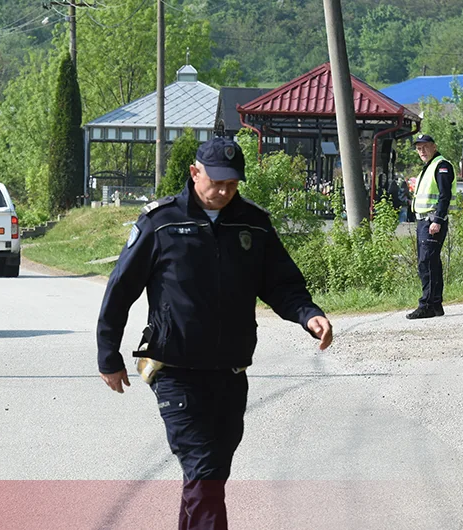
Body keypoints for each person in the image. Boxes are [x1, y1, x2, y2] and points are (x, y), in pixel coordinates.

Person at [96, 137, 333, 530]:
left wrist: (308, 315)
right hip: (174, 368)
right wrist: (109, 355)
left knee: (209, 477)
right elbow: (120, 289)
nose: (224, 191)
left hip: (230, 371)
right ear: (194, 173)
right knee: (204, 471)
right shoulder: (161, 222)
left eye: (232, 183)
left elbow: (281, 284)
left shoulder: (253, 223)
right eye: (216, 181)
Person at [406, 134, 456, 319]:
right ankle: (435, 305)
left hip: (432, 221)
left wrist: (438, 220)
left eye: (425, 147)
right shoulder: (428, 167)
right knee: (429, 263)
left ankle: (427, 305)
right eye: (419, 148)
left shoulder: (441, 166)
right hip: (424, 221)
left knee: (427, 262)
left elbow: (444, 196)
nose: (422, 151)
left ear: (434, 146)